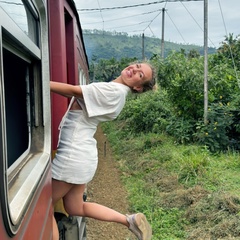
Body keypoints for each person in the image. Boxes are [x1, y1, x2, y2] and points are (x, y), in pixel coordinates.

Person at [50, 62, 156, 240]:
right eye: (138, 66)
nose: (135, 70)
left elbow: (74, 91)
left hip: (73, 156)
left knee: (45, 207)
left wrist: (41, 82)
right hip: (82, 156)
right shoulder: (117, 92)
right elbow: (74, 92)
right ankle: (128, 221)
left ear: (138, 87)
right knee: (76, 207)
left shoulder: (113, 91)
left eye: (140, 75)